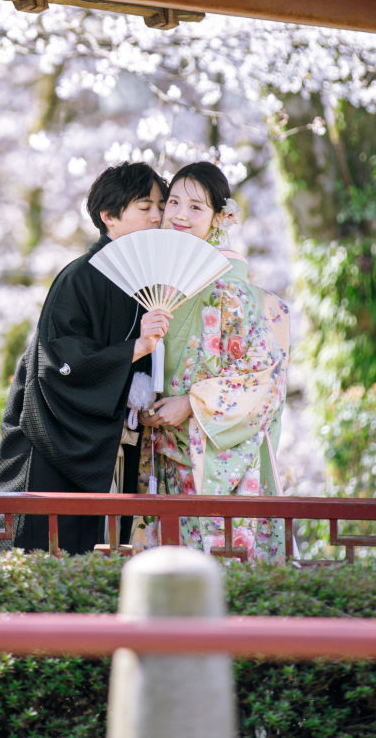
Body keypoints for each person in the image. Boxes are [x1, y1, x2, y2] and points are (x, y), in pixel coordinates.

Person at [0, 162, 172, 554]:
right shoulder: (79, 277)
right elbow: (59, 360)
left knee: (105, 555)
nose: (158, 216)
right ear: (108, 216)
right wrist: (134, 350)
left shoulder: (150, 281)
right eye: (145, 206)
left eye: (161, 205)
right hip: (56, 436)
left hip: (117, 439)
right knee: (49, 552)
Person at [130, 162, 290, 563]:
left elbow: (261, 378)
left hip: (212, 446)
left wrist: (191, 402)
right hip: (163, 443)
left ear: (220, 217)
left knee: (215, 563)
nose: (180, 215)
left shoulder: (232, 288)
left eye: (197, 207)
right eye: (175, 203)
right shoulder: (157, 279)